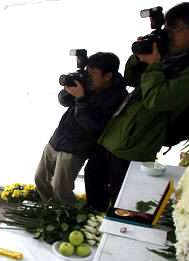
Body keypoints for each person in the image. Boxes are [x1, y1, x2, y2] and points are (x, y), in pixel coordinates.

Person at [88, 1, 189, 211]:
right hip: (115, 133)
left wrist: (154, 65)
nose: (168, 35)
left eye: (174, 30)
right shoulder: (167, 52)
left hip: (136, 142)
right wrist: (141, 57)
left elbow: (157, 101)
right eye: (166, 29)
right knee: (94, 184)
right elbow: (130, 78)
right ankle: (92, 227)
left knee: (122, 203)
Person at [34, 52, 128, 204]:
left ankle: (69, 217)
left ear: (108, 76)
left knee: (60, 188)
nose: (88, 77)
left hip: (76, 148)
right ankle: (52, 212)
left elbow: (91, 125)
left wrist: (81, 98)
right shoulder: (88, 84)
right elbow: (64, 101)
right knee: (40, 179)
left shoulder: (115, 96)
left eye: (92, 73)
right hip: (58, 139)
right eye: (87, 72)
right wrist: (69, 88)